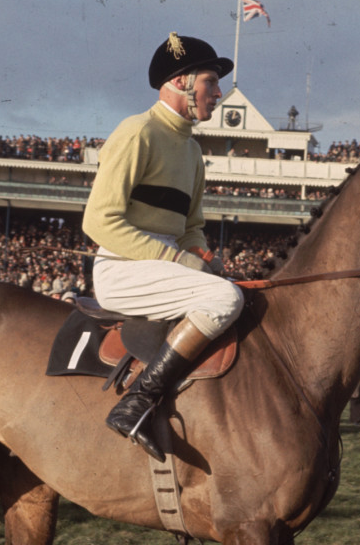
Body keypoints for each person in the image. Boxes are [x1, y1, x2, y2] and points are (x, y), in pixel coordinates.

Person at [81, 32, 242, 462]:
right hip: (122, 270)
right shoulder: (138, 132)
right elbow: (98, 220)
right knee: (225, 299)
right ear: (181, 82)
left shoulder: (192, 152)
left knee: (233, 289)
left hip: (166, 269)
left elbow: (190, 228)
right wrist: (178, 258)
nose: (219, 93)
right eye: (211, 81)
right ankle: (136, 404)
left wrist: (204, 257)